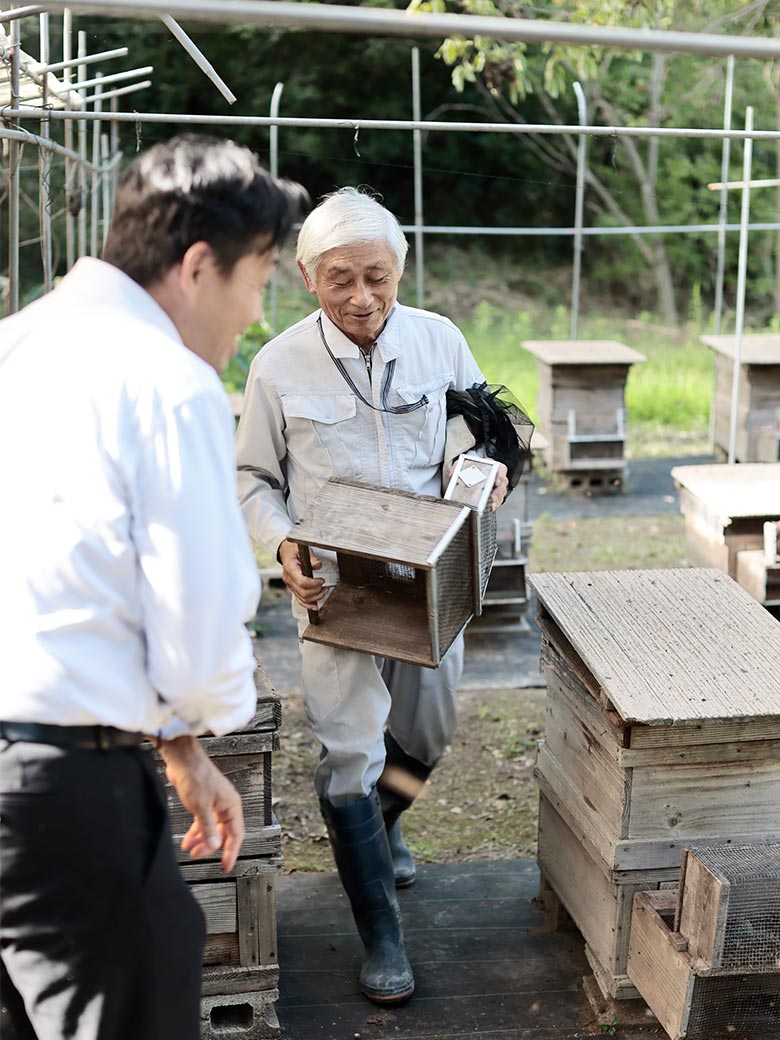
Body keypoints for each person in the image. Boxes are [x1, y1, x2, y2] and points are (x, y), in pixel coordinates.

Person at [0, 134, 302, 1040]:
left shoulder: (16, 342)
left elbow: (66, 573)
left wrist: (179, 750)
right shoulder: (169, 383)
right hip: (65, 790)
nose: (254, 315)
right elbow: (197, 630)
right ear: (198, 266)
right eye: (259, 281)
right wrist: (205, 712)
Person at [236, 187, 508, 1005]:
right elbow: (250, 480)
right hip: (338, 590)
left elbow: (484, 433)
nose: (363, 298)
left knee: (427, 729)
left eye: (379, 278)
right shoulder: (276, 365)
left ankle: (382, 828)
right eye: (342, 279)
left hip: (431, 585)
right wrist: (282, 544)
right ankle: (380, 930)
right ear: (307, 278)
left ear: (402, 270)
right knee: (352, 749)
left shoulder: (440, 340)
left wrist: (486, 475)